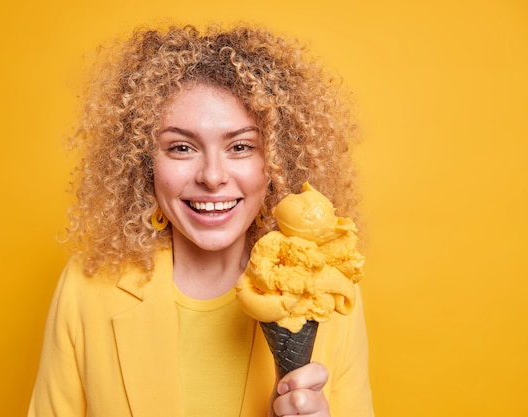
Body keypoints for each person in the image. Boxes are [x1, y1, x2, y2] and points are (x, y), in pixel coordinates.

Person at [28, 24, 373, 417]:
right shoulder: (87, 285)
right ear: (145, 164)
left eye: (241, 146)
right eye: (181, 147)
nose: (212, 176)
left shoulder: (329, 292)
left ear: (277, 162)